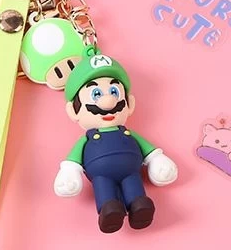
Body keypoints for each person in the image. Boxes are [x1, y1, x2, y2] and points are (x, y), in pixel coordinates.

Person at [54, 48, 178, 233]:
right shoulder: (87, 138)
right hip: (101, 176)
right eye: (96, 94)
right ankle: (109, 211)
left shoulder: (128, 132)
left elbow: (148, 149)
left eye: (114, 91)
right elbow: (73, 160)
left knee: (136, 193)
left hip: (131, 171)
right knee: (105, 193)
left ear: (130, 103)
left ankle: (139, 207)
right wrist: (70, 172)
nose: (108, 102)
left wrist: (156, 159)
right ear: (73, 110)